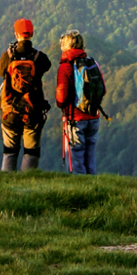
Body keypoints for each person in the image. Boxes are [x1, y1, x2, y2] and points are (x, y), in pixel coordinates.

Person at [0, 18, 51, 171]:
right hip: (32, 111)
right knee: (31, 152)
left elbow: (1, 72)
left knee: (9, 151)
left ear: (16, 34)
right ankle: (27, 182)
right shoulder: (39, 58)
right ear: (32, 34)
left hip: (10, 110)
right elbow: (47, 65)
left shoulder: (7, 57)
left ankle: (5, 185)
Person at [55, 28, 104, 174]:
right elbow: (103, 90)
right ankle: (93, 187)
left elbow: (61, 97)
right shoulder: (92, 63)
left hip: (74, 118)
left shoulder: (65, 67)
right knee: (90, 157)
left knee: (76, 158)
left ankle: (80, 188)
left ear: (65, 46)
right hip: (94, 116)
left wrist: (60, 105)